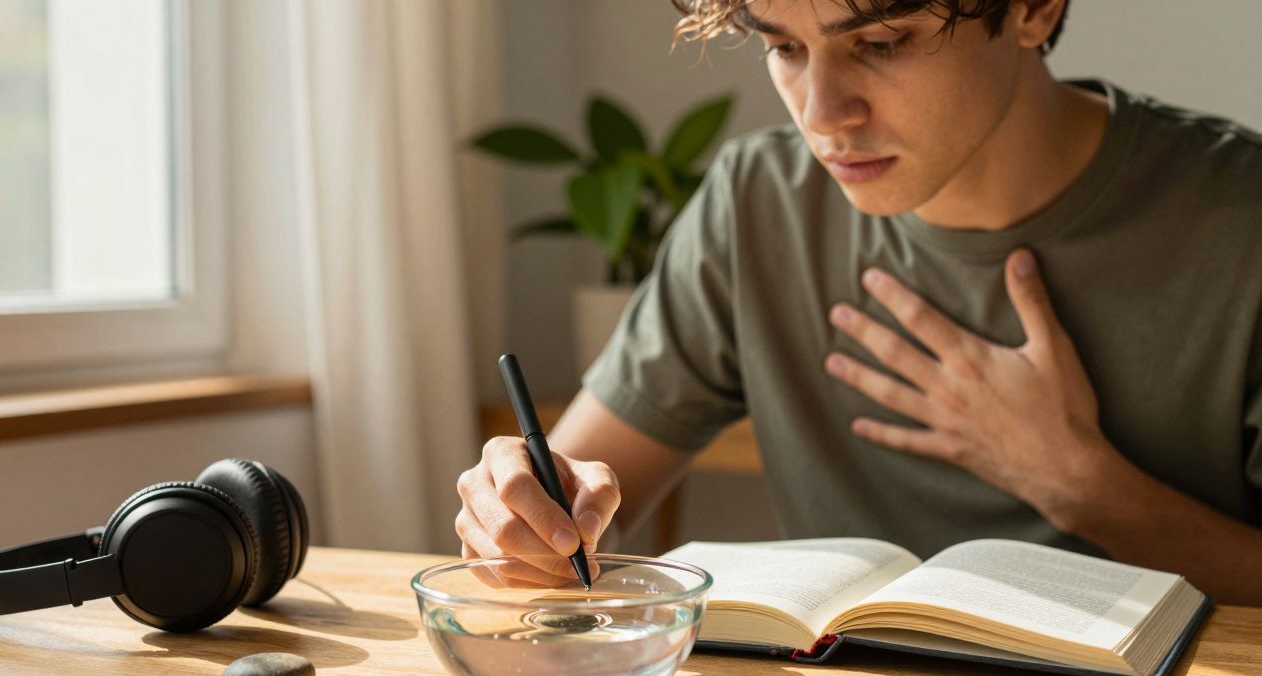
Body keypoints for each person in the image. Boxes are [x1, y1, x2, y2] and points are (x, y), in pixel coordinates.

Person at [455, 0, 1262, 603]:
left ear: (1032, 8)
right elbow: (579, 503)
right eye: (782, 46)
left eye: (878, 43)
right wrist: (524, 518)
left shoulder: (1240, 221)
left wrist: (1082, 487)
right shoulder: (758, 202)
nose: (821, 114)